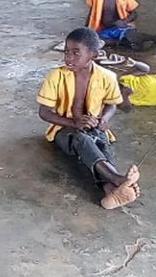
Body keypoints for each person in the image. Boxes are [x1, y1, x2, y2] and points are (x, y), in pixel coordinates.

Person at [37, 27, 141, 210]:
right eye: (66, 52)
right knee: (81, 139)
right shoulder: (56, 76)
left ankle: (110, 191)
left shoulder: (107, 77)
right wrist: (74, 123)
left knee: (100, 144)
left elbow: (112, 104)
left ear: (93, 54)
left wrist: (104, 119)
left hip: (93, 126)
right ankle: (117, 178)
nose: (68, 58)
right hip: (64, 129)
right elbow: (44, 112)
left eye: (76, 53)